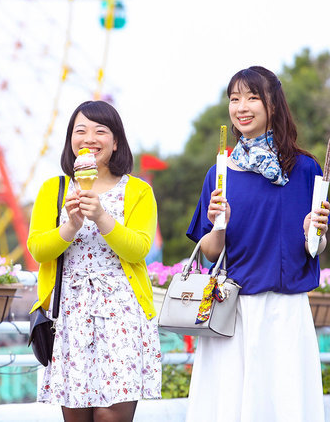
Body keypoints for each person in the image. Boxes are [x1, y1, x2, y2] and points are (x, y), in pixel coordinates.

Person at [185, 66, 330, 422]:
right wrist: (220, 224)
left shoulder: (307, 169)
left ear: (273, 105)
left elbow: (315, 247)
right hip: (232, 311)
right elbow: (210, 252)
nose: (242, 107)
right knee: (231, 408)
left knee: (285, 405)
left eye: (252, 97)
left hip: (287, 311)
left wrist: (316, 230)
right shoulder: (220, 172)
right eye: (235, 99)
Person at [28, 101, 162, 422]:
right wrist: (70, 227)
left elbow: (139, 249)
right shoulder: (54, 189)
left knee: (110, 417)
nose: (90, 138)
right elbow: (38, 249)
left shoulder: (138, 191)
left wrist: (101, 216)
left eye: (101, 131)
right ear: (70, 140)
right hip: (71, 315)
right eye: (81, 130)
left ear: (116, 142)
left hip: (123, 316)